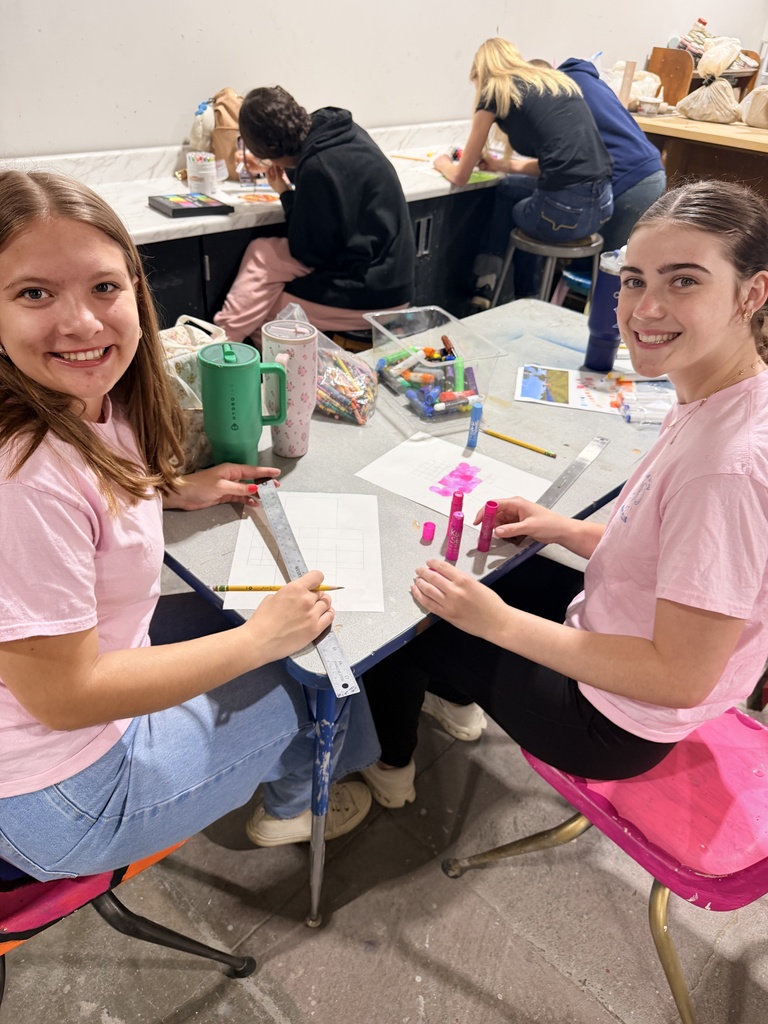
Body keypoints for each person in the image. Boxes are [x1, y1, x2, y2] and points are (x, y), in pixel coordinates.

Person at [0, 170, 379, 880]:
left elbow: (91, 486)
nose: (82, 324)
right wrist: (260, 639)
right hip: (64, 792)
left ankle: (313, 772)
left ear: (136, 291)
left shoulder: (88, 402)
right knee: (320, 675)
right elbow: (66, 697)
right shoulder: (20, 477)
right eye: (34, 294)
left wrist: (169, 489)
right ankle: (298, 805)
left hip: (68, 710)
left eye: (103, 287)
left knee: (277, 638)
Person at [361, 180, 768, 809]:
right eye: (634, 280)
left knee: (402, 625)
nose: (645, 308)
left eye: (684, 281)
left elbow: (680, 677)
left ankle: (391, 769)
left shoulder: (726, 467)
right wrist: (565, 529)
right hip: (625, 632)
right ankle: (458, 692)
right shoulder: (721, 395)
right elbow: (675, 556)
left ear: (753, 293)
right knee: (485, 574)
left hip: (613, 724)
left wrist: (497, 624)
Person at [214, 86, 415, 344]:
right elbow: (327, 180)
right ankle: (221, 339)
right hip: (391, 275)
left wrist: (285, 194)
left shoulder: (316, 168)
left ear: (266, 150)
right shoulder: (340, 132)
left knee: (264, 316)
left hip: (374, 294)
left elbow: (308, 252)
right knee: (262, 253)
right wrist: (277, 169)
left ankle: (222, 347)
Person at [432, 38, 613, 308]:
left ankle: (503, 288)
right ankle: (505, 289)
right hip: (602, 207)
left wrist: (442, 162)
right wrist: (500, 165)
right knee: (510, 188)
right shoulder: (554, 83)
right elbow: (554, 165)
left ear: (481, 73)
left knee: (521, 215)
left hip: (563, 213)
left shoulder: (494, 91)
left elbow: (460, 176)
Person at [555, 58, 666, 254]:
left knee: (606, 262)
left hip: (628, 180)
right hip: (651, 171)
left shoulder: (559, 91)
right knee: (617, 259)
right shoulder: (594, 83)